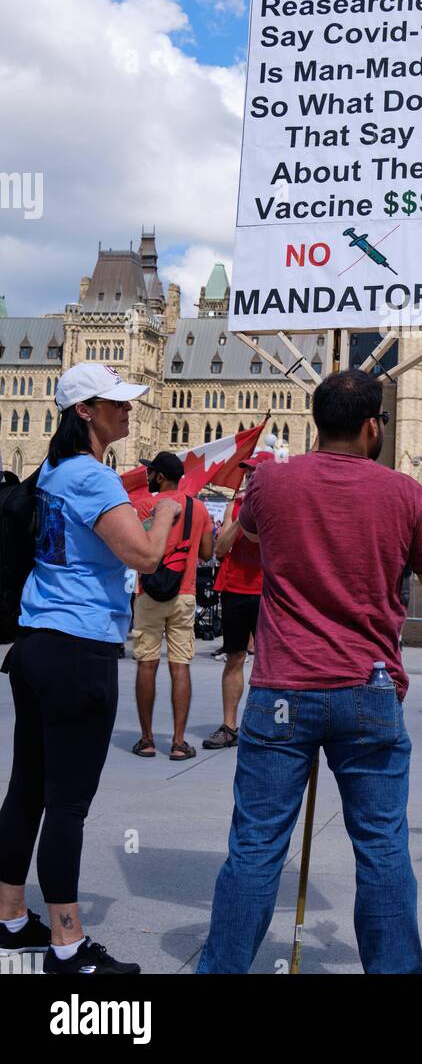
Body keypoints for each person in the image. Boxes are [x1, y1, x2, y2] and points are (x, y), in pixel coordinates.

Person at [197, 370, 422, 975]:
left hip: (283, 688)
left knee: (256, 849)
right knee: (383, 849)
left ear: (317, 422)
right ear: (373, 426)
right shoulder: (406, 494)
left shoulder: (271, 482)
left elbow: (247, 537)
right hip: (368, 688)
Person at [0, 362, 181, 974]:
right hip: (81, 648)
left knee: (26, 789)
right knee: (67, 804)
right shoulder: (93, 479)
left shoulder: (51, 470)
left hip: (34, 644)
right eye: (116, 403)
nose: (127, 411)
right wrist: (169, 508)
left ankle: (9, 919)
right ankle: (68, 945)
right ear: (85, 412)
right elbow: (146, 554)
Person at [131, 451, 213, 760]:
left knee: (146, 664)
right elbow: (207, 552)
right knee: (180, 666)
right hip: (184, 592)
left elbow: (136, 547)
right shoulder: (199, 508)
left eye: (152, 472)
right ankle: (179, 742)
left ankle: (147, 739)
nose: (149, 476)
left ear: (160, 477)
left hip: (148, 593)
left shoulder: (143, 506)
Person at [203, 456, 266, 749]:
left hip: (269, 591)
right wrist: (243, 515)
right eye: (247, 472)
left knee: (270, 662)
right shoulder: (235, 506)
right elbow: (220, 547)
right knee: (235, 657)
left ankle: (266, 724)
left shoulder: (278, 506)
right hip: (236, 588)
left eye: (254, 472)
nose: (248, 477)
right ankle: (229, 726)